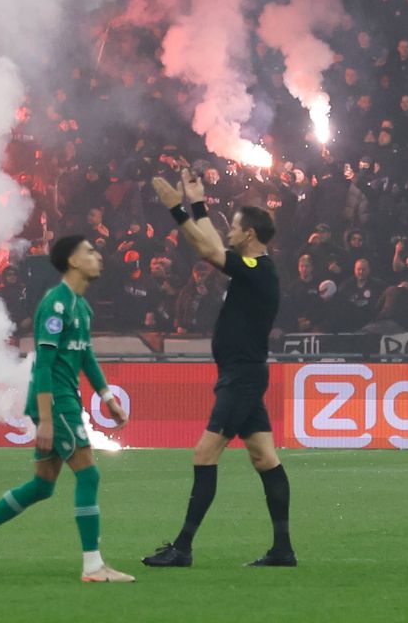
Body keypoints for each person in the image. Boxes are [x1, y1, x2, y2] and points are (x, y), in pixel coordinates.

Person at [0, 235, 134, 583]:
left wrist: (108, 397)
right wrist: (46, 419)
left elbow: (85, 356)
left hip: (66, 400)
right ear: (73, 262)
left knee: (42, 485)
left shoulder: (82, 306)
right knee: (88, 473)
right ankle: (93, 566)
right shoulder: (56, 304)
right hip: (56, 401)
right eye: (90, 252)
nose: (98, 257)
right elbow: (43, 364)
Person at [144, 169, 295, 568]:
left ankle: (183, 548)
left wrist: (177, 210)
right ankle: (283, 550)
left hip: (242, 376)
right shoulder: (255, 266)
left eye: (236, 228)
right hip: (243, 373)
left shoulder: (257, 268)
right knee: (264, 457)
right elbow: (213, 244)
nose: (229, 232)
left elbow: (209, 251)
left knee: (204, 453)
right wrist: (198, 204)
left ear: (249, 236)